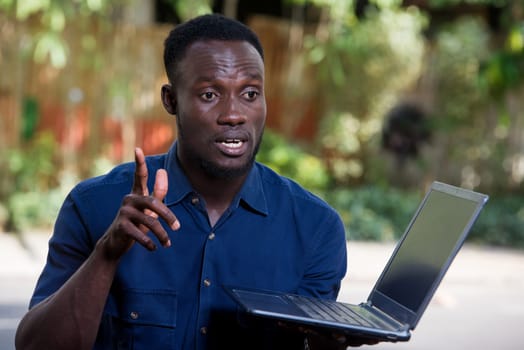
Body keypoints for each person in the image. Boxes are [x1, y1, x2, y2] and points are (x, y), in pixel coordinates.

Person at [15, 14, 371, 350]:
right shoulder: (93, 206)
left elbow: (313, 344)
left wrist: (329, 341)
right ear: (171, 100)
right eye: (209, 95)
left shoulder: (315, 228)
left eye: (250, 94)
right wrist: (106, 254)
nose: (233, 114)